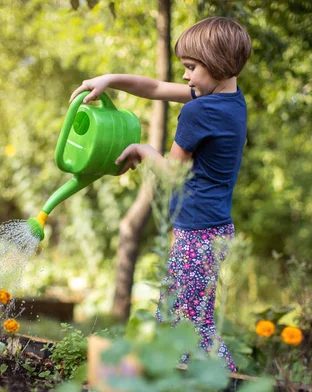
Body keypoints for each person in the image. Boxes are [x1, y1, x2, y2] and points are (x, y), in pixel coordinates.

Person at [70, 17, 251, 372]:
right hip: (212, 230)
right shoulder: (230, 99)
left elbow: (172, 173)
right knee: (177, 317)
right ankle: (181, 382)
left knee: (190, 326)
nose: (185, 76)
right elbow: (154, 87)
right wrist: (111, 80)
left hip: (198, 232)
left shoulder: (199, 110)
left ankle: (226, 386)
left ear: (217, 65)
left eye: (191, 67)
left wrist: (142, 149)